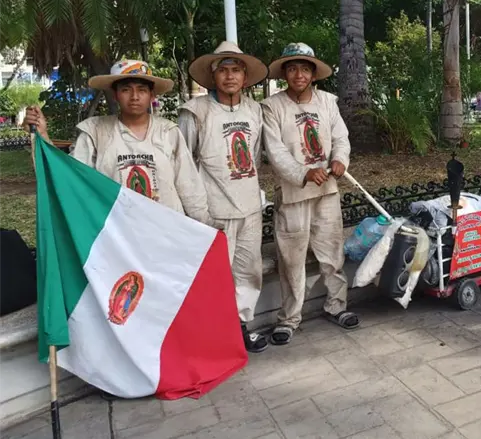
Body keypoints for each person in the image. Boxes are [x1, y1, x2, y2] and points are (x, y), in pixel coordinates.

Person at [25, 60, 213, 226]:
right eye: (126, 89)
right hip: (116, 236)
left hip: (167, 230)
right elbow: (70, 179)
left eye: (142, 90)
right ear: (115, 95)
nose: (134, 96)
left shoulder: (168, 132)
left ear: (152, 96)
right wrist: (41, 135)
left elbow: (189, 185)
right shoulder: (96, 132)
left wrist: (204, 224)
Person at [261, 42, 359, 345]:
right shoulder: (272, 106)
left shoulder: (328, 102)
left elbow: (340, 136)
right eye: (292, 68)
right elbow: (275, 150)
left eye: (305, 68)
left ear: (313, 74)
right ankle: (289, 319)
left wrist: (340, 160)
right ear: (285, 73)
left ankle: (336, 306)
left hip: (327, 190)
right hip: (292, 195)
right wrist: (303, 173)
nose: (299, 74)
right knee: (291, 258)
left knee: (331, 252)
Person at [178, 41, 270, 354]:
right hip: (213, 211)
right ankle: (211, 337)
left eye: (236, 70)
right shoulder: (195, 111)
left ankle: (241, 327)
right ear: (213, 76)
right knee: (213, 278)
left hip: (249, 208)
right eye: (223, 71)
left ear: (245, 77)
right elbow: (184, 162)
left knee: (248, 272)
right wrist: (197, 211)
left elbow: (255, 155)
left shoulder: (254, 110)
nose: (230, 77)